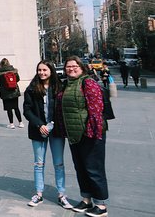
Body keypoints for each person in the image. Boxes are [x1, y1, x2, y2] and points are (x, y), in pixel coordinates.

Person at [57, 56, 109, 217]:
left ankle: (100, 205)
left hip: (90, 133)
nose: (71, 69)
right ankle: (86, 200)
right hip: (74, 134)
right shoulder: (66, 84)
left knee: (93, 168)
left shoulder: (88, 83)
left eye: (74, 66)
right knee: (80, 167)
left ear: (81, 67)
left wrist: (93, 131)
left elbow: (95, 110)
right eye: (68, 66)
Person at [23, 61, 73, 209]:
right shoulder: (31, 88)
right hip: (38, 130)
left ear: (51, 70)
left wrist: (51, 125)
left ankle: (61, 195)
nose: (42, 73)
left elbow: (64, 108)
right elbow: (27, 110)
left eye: (45, 70)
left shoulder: (59, 87)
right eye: (39, 70)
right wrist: (40, 125)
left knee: (59, 164)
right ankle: (39, 194)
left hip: (56, 130)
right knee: (39, 164)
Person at [0, 58, 24, 128]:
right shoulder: (13, 71)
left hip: (5, 93)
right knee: (16, 108)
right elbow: (18, 79)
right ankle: (20, 123)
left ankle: (11, 124)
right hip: (14, 91)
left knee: (9, 109)